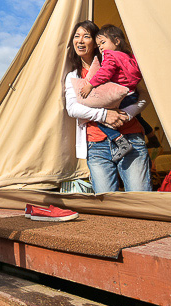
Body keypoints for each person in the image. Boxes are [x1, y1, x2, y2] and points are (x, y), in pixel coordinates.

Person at [64, 20, 151, 193]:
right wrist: (105, 115)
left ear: (95, 41)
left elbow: (143, 95)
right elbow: (72, 109)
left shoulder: (115, 63)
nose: (80, 41)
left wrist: (127, 114)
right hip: (96, 146)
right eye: (76, 36)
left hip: (130, 138)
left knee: (140, 200)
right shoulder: (73, 76)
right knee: (106, 205)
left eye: (86, 36)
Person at [78, 24, 145, 161]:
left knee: (102, 120)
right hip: (132, 95)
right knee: (128, 117)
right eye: (99, 45)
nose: (101, 47)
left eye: (103, 43)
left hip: (121, 96)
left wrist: (90, 85)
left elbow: (104, 72)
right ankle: (149, 133)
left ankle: (120, 141)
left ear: (116, 41)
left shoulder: (110, 55)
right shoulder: (130, 56)